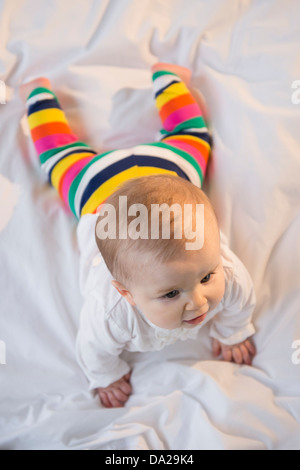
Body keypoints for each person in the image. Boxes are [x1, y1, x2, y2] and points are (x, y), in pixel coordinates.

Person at [20, 63, 256, 408]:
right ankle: (37, 95)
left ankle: (167, 76)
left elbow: (240, 305)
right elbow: (94, 349)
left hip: (168, 170)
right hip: (98, 188)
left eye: (207, 277)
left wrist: (233, 333)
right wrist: (107, 377)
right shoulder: (111, 313)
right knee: (58, 154)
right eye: (171, 293)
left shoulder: (228, 272)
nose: (199, 301)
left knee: (192, 135)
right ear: (125, 291)